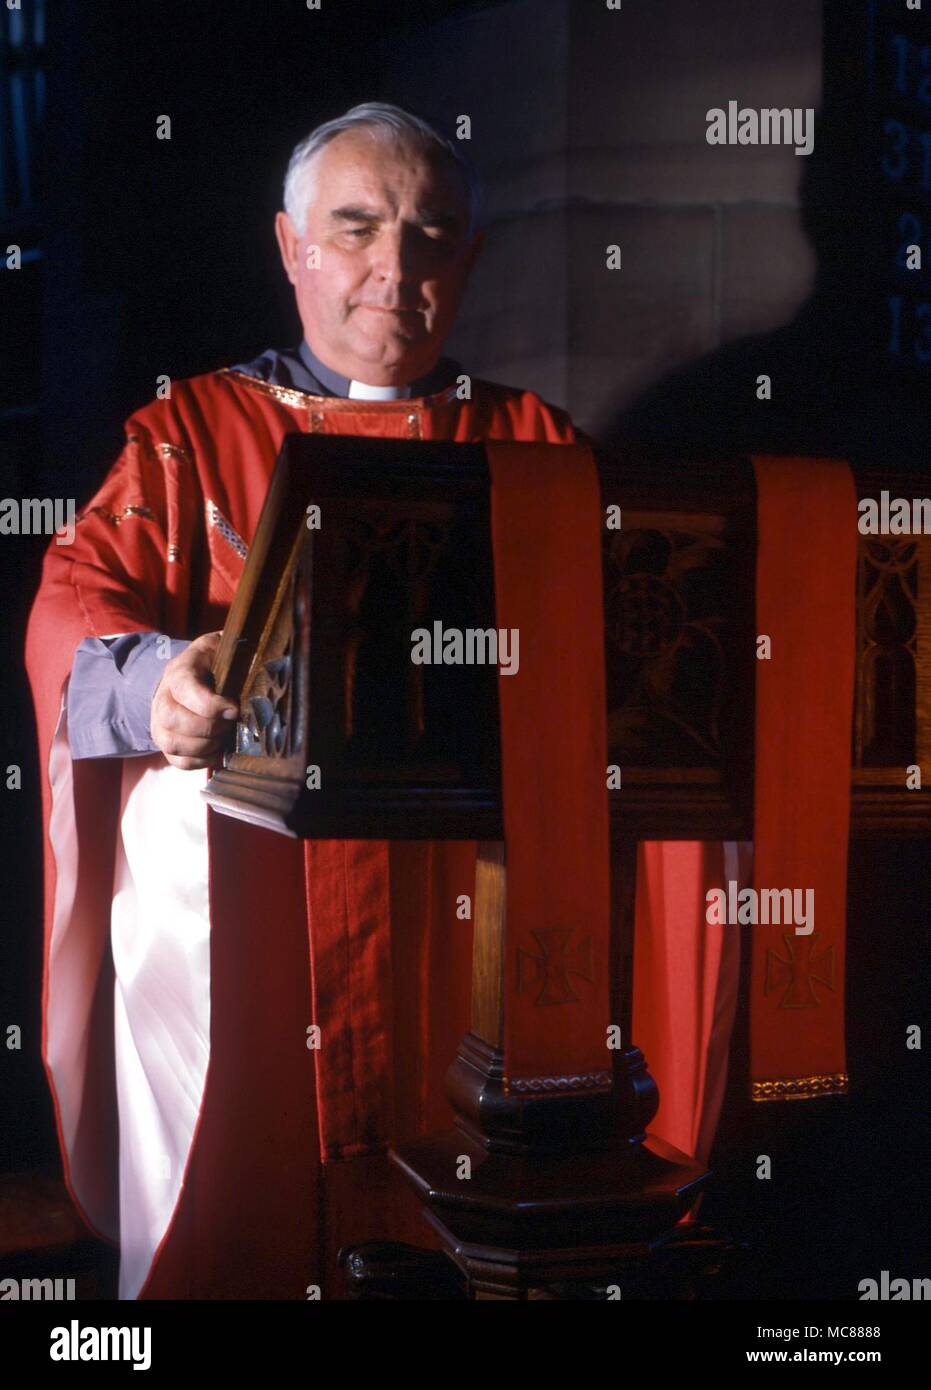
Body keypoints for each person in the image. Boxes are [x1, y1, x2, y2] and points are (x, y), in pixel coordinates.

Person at [24, 102, 734, 1299]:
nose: (393, 270)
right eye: (355, 229)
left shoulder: (534, 441)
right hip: (256, 923)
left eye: (431, 235)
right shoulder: (188, 433)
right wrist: (156, 680)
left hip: (470, 926)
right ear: (291, 245)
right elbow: (73, 606)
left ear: (467, 258)